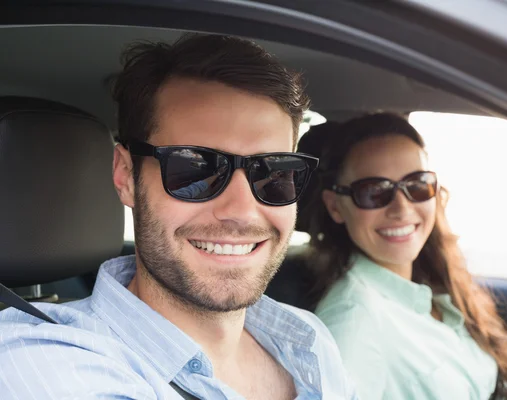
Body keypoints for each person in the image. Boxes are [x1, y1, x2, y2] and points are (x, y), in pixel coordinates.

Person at [0, 34, 357, 400]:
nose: (240, 211)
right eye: (194, 169)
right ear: (125, 176)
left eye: (274, 172)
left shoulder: (307, 339)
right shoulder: (45, 365)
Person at [307, 112, 507, 399]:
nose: (401, 208)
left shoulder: (430, 286)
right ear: (335, 206)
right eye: (374, 191)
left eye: (417, 184)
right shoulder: (353, 323)